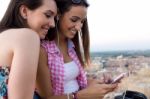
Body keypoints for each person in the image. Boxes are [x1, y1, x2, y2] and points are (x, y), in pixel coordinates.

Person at [36, 0, 118, 99]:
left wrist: (100, 84)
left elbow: (73, 80)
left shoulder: (72, 46)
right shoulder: (42, 50)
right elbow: (47, 97)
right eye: (74, 20)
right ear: (58, 15)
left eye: (82, 21)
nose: (79, 27)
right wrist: (78, 96)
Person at [0, 0, 57, 98]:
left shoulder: (4, 36)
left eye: (54, 18)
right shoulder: (28, 36)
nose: (53, 24)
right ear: (24, 11)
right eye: (48, 15)